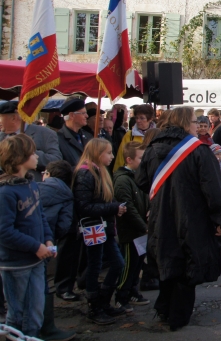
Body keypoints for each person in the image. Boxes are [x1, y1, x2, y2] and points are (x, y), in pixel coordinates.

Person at [137, 107, 221, 332]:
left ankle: (164, 307)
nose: (197, 125)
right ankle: (178, 315)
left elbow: (140, 181)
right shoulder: (198, 151)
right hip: (191, 216)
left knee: (166, 259)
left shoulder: (152, 148)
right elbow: (213, 189)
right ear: (184, 124)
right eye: (193, 121)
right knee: (188, 263)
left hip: (160, 215)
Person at [0, 135, 55, 337]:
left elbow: (40, 216)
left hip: (35, 260)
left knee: (35, 311)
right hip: (16, 264)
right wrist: (35, 246)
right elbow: (4, 231)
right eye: (32, 153)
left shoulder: (31, 184)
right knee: (17, 314)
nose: (36, 156)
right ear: (19, 157)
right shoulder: (6, 192)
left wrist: (47, 239)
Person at [72, 138, 127, 324]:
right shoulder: (85, 174)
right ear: (97, 153)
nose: (112, 156)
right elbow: (84, 206)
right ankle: (95, 306)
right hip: (94, 227)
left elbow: (103, 200)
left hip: (105, 226)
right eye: (109, 153)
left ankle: (103, 302)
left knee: (118, 264)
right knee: (95, 266)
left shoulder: (100, 172)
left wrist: (115, 206)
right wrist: (112, 208)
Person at [53, 99, 92, 303]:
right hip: (70, 195)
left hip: (86, 194)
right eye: (83, 113)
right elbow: (60, 168)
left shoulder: (85, 136)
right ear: (70, 116)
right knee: (69, 243)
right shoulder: (59, 138)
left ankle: (83, 279)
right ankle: (63, 285)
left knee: (85, 241)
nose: (87, 116)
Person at [38, 160, 76, 341]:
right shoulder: (67, 194)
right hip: (45, 243)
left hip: (22, 245)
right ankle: (46, 327)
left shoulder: (34, 187)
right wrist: (51, 237)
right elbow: (64, 225)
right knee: (41, 285)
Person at [113, 142, 151, 315]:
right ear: (129, 159)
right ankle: (121, 296)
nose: (143, 161)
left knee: (137, 264)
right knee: (128, 265)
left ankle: (133, 291)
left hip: (141, 230)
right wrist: (143, 226)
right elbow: (128, 207)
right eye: (140, 158)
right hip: (130, 231)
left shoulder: (139, 176)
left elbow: (146, 198)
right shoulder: (122, 180)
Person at [0, 100, 62, 182]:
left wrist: (28, 152)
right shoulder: (1, 136)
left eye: (0, 118)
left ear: (13, 118)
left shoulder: (45, 134)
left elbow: (56, 161)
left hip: (33, 187)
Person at [112, 104, 154, 172]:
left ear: (150, 119)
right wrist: (117, 173)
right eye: (136, 118)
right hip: (132, 173)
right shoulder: (130, 134)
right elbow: (121, 156)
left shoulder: (156, 134)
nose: (138, 121)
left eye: (142, 118)